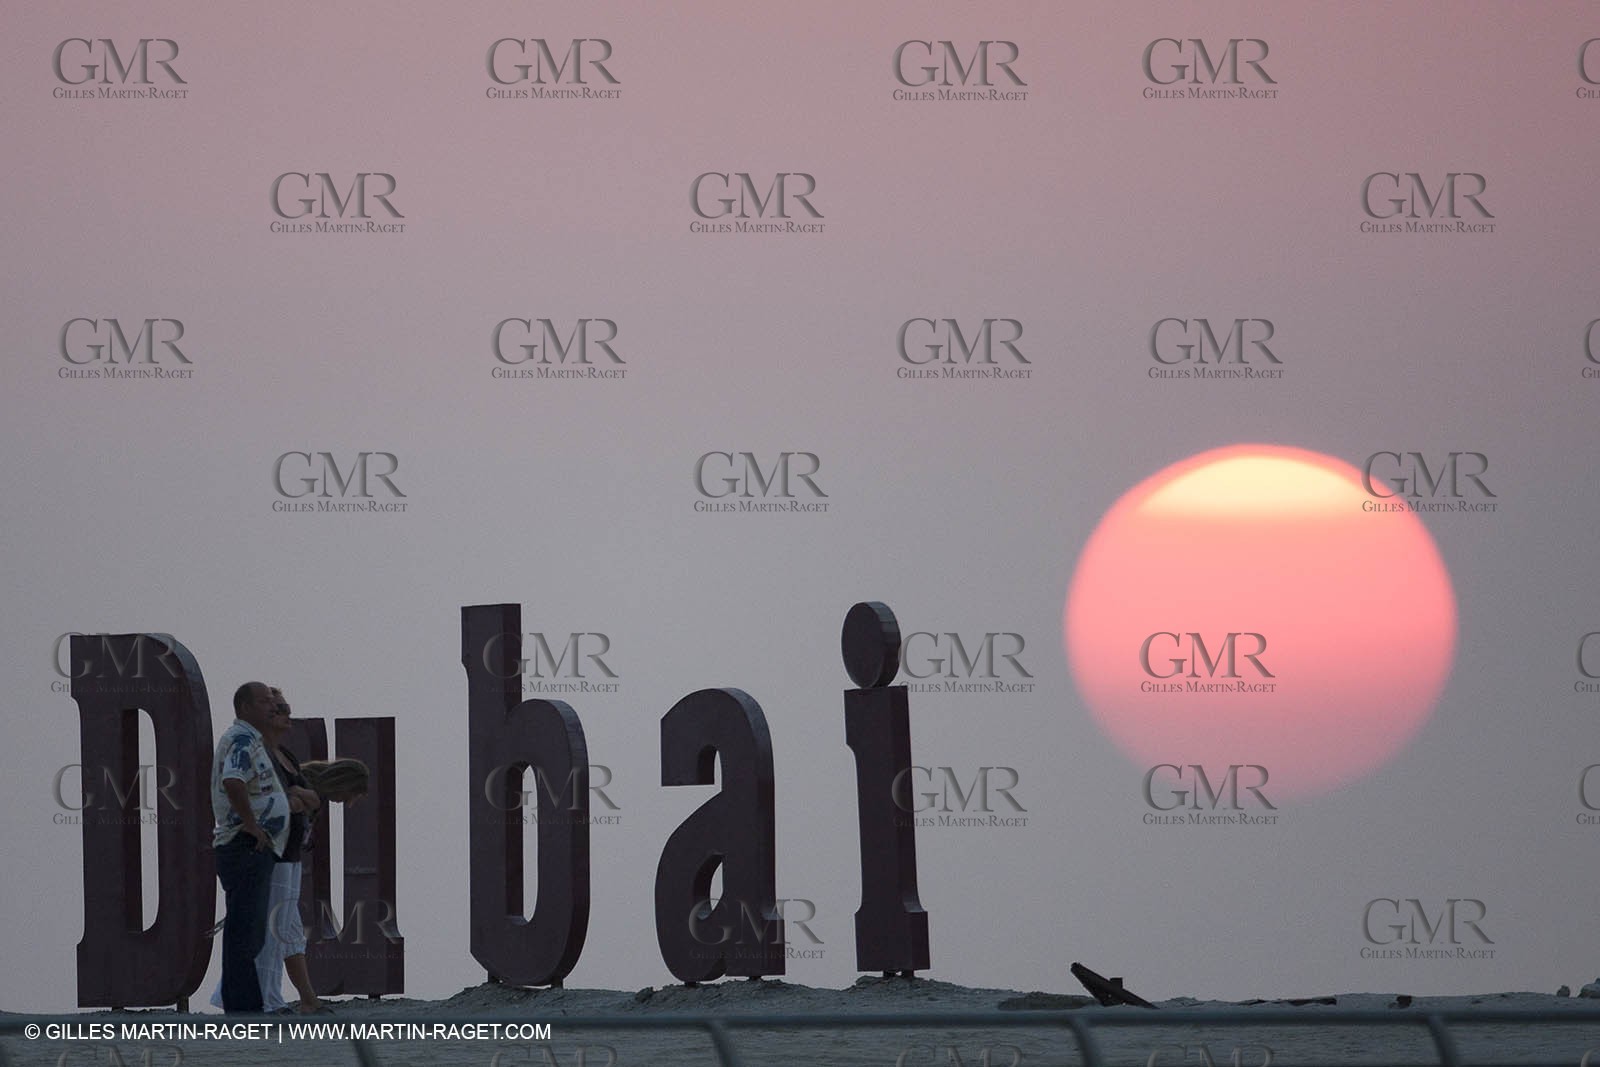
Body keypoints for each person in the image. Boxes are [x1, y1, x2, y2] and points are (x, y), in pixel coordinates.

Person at [211, 681, 293, 1013]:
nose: (271, 707)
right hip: (245, 845)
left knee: (250, 928)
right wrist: (250, 824)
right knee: (246, 931)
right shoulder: (242, 740)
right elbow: (233, 780)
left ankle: (243, 1003)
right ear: (244, 707)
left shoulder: (253, 741)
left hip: (255, 846)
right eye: (263, 702)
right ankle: (244, 1009)